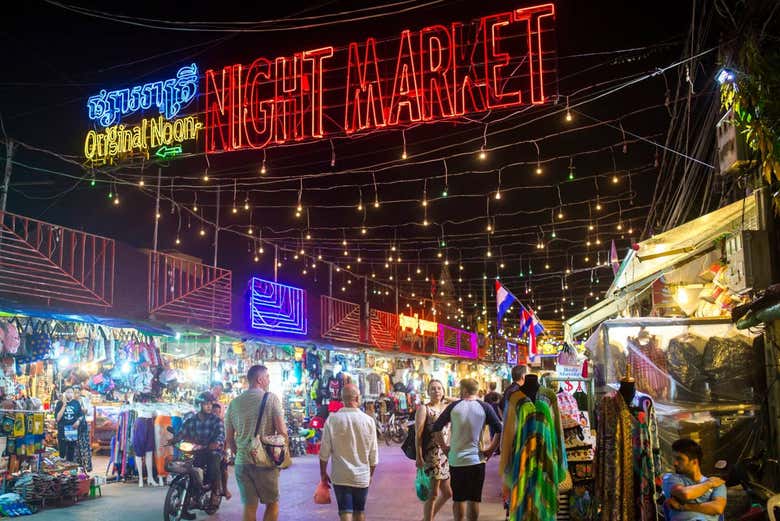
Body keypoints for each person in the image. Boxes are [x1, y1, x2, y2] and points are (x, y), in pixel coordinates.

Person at [431, 378, 502, 521]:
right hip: (477, 460)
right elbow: (499, 429)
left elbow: (436, 427)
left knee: (458, 499)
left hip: (457, 460)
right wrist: (490, 449)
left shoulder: (453, 407)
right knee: (474, 499)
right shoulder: (485, 407)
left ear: (463, 390)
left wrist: (444, 447)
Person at [226, 365, 288, 521]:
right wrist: (280, 457)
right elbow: (282, 432)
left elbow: (229, 438)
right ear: (259, 380)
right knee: (272, 504)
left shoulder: (234, 403)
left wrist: (240, 453)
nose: (269, 379)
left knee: (249, 506)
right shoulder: (271, 398)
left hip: (242, 462)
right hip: (265, 461)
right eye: (267, 376)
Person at [319, 384, 378, 521]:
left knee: (345, 512)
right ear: (357, 398)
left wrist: (323, 474)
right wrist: (370, 475)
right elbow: (373, 455)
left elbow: (324, 453)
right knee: (359, 512)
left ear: (342, 399)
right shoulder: (368, 421)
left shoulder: (332, 420)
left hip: (341, 476)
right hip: (362, 476)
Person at [171, 391, 225, 516]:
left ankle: (215, 492)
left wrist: (216, 443)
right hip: (195, 451)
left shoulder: (216, 421)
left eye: (210, 404)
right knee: (183, 467)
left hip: (211, 451)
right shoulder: (191, 420)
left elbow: (221, 435)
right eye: (206, 404)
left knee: (214, 466)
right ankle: (184, 503)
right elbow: (182, 432)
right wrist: (176, 438)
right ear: (199, 404)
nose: (209, 406)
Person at [663, 438, 726, 520]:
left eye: (679, 459)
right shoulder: (671, 478)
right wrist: (709, 484)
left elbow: (718, 508)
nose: (674, 463)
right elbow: (685, 494)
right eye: (674, 458)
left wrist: (683, 506)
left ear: (694, 462)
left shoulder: (717, 483)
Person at [415, 380, 452, 521]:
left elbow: (463, 400)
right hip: (432, 454)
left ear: (443, 391)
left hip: (445, 454)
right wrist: (419, 456)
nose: (436, 391)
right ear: (428, 392)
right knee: (433, 494)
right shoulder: (424, 409)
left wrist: (446, 397)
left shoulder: (447, 407)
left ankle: (426, 519)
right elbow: (418, 435)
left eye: (439, 388)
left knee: (448, 493)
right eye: (433, 389)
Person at [54, 386, 84, 463]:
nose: (69, 394)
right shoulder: (59, 403)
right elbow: (57, 418)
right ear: (64, 393)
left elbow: (81, 415)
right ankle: (61, 469)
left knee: (71, 451)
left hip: (72, 430)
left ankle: (69, 469)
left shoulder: (76, 403)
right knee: (62, 452)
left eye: (71, 392)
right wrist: (64, 405)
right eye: (67, 392)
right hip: (62, 430)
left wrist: (78, 421)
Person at [211, 402, 232, 500]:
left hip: (220, 451)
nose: (216, 414)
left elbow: (226, 440)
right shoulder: (206, 422)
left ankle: (224, 489)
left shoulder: (222, 424)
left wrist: (224, 452)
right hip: (204, 450)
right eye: (214, 412)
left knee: (223, 467)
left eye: (218, 412)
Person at [73, 385, 93, 472]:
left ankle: (85, 467)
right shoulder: (70, 402)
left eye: (77, 392)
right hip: (74, 427)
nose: (76, 394)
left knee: (84, 446)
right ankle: (76, 467)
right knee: (75, 448)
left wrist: (84, 410)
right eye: (74, 392)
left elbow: (88, 411)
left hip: (83, 426)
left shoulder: (84, 400)